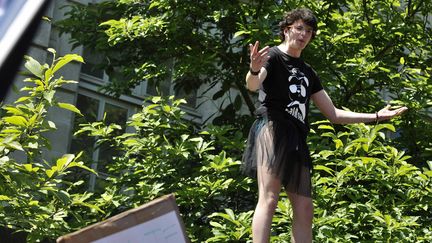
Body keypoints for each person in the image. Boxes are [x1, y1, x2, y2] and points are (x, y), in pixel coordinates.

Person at [242, 8, 407, 243]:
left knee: (305, 209)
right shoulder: (273, 56)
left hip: (297, 137)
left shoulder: (308, 72)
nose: (304, 34)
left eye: (309, 31)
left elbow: (334, 114)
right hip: (273, 127)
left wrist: (376, 116)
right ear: (286, 30)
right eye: (299, 28)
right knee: (269, 198)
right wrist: (254, 68)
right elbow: (253, 85)